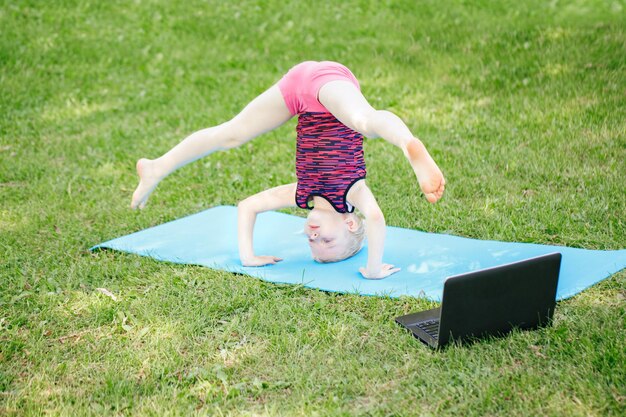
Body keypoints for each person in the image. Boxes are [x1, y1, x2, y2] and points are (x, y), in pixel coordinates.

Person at [131, 61, 445, 279]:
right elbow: (375, 219)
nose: (315, 238)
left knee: (231, 134)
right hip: (330, 85)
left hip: (298, 90)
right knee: (365, 121)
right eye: (327, 242)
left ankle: (158, 167)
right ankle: (408, 144)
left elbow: (247, 206)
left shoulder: (301, 193)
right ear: (350, 224)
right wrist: (374, 268)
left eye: (312, 244)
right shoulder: (352, 192)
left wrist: (248, 256)